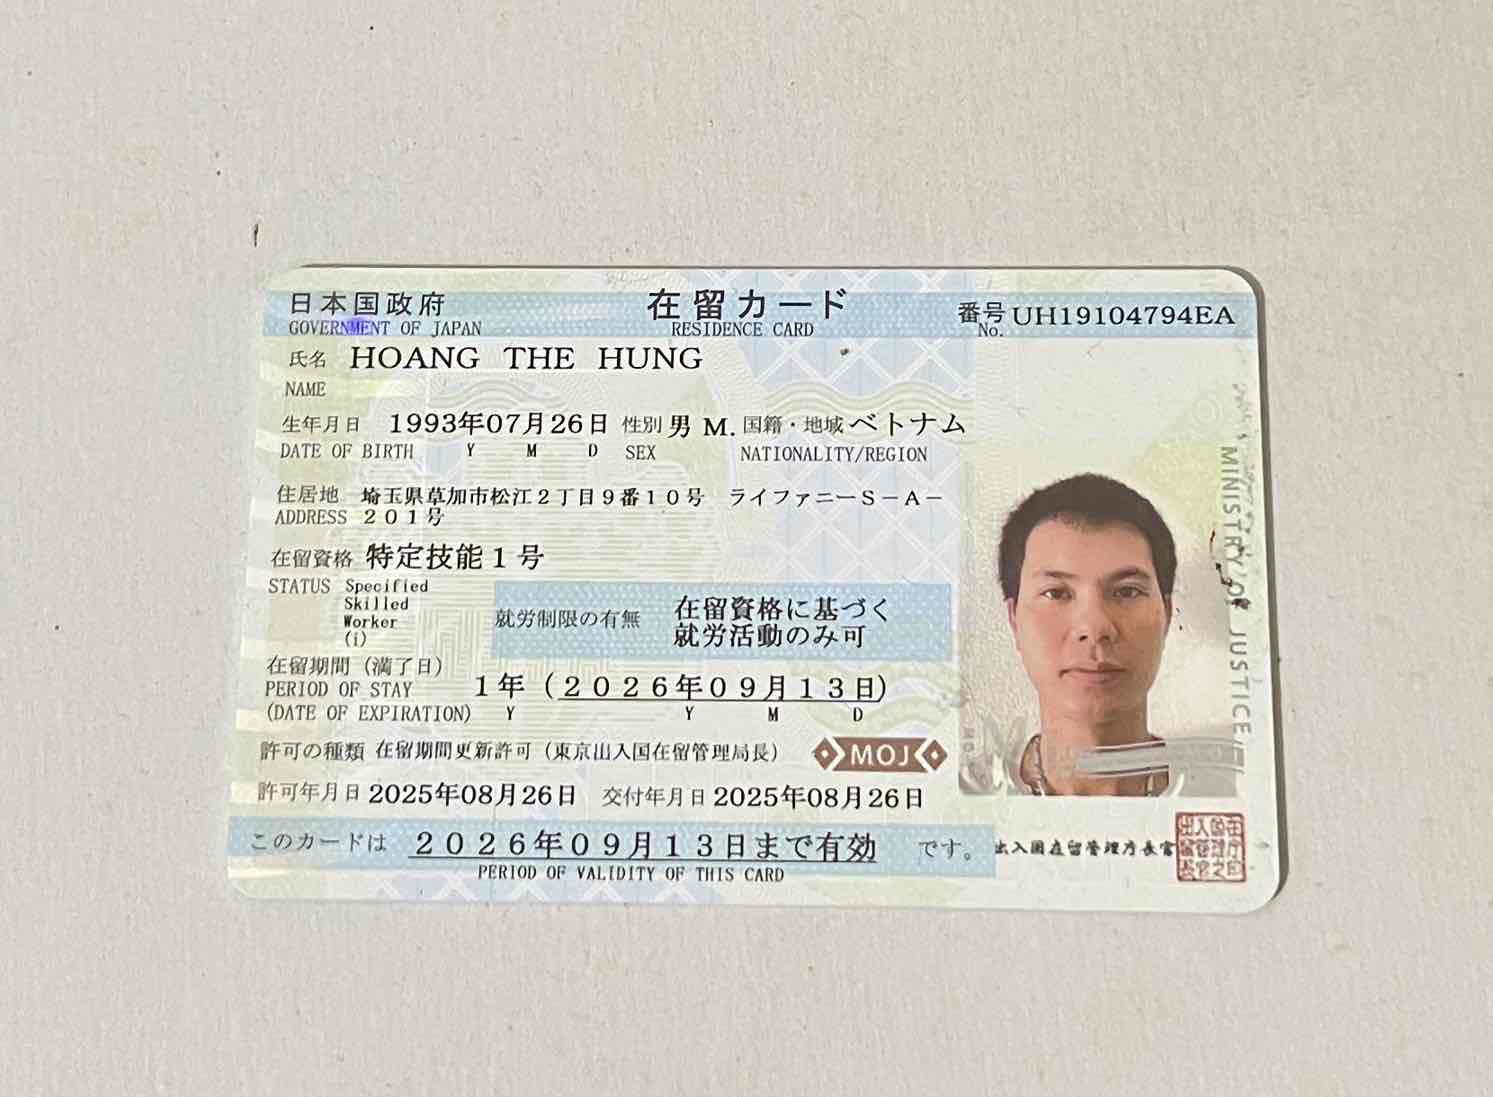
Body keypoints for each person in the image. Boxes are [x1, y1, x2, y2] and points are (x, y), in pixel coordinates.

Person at [997, 473, 1179, 796]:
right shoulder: (965, 797)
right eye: (1056, 593)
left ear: (1166, 614)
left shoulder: (1234, 787)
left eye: (1127, 592)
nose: (1095, 628)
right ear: (1014, 619)